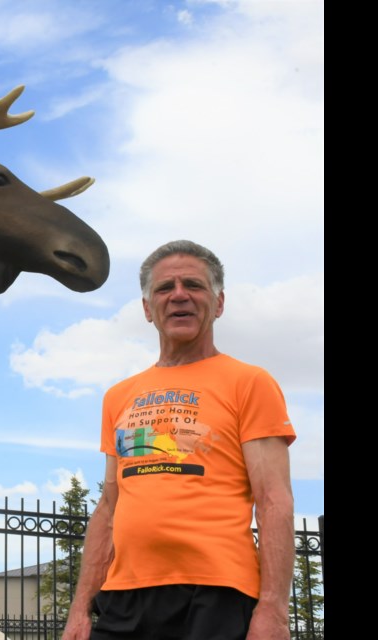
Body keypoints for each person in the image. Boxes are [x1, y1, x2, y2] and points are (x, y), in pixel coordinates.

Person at [62, 240, 296, 640]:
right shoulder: (119, 396)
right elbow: (108, 506)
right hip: (123, 598)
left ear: (218, 304)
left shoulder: (250, 383)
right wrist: (81, 609)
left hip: (217, 593)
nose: (179, 295)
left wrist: (273, 609)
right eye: (164, 288)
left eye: (194, 285)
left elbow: (274, 499)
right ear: (147, 309)